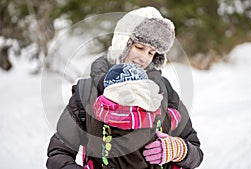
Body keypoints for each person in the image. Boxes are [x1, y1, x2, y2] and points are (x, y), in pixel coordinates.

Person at [46, 6, 203, 169]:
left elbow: (195, 152)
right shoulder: (87, 91)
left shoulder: (163, 90)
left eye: (151, 53)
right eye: (139, 47)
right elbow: (59, 153)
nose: (143, 58)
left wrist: (179, 150)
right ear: (122, 43)